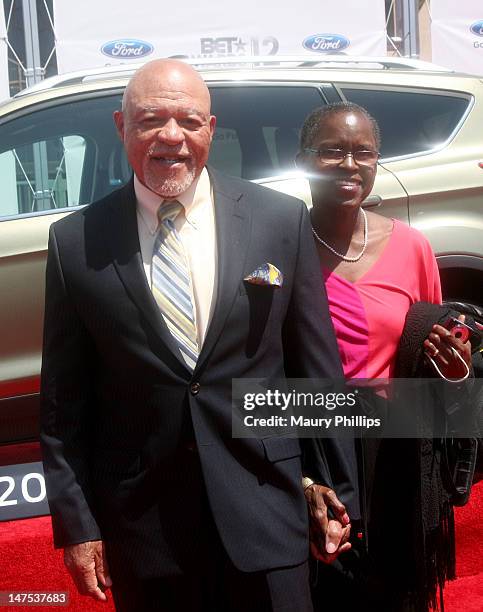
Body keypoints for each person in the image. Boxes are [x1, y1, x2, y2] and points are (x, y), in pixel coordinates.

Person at [39, 59, 349, 612]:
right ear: (121, 126)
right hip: (147, 532)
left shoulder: (279, 219)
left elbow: (316, 368)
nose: (171, 137)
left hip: (268, 513)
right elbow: (64, 406)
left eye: (187, 120)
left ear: (210, 128)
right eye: (151, 120)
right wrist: (78, 524)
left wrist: (339, 493)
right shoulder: (73, 243)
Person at [296, 102, 472, 611]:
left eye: (363, 153)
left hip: (393, 449)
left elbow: (428, 357)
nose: (350, 164)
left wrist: (452, 367)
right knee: (325, 588)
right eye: (332, 151)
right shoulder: (282, 246)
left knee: (394, 591)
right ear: (303, 158)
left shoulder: (412, 246)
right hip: (314, 444)